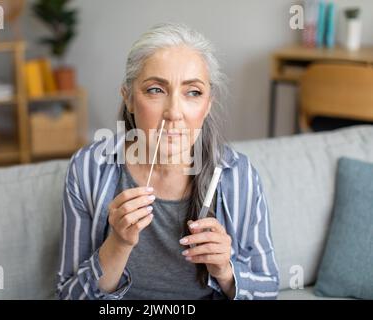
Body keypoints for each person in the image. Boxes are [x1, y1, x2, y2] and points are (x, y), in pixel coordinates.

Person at [56, 22, 279, 300]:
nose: (174, 112)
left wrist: (225, 271)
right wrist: (118, 243)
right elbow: (68, 296)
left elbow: (269, 290)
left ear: (208, 104)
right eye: (155, 90)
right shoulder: (89, 168)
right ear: (128, 98)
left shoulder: (238, 175)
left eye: (193, 92)